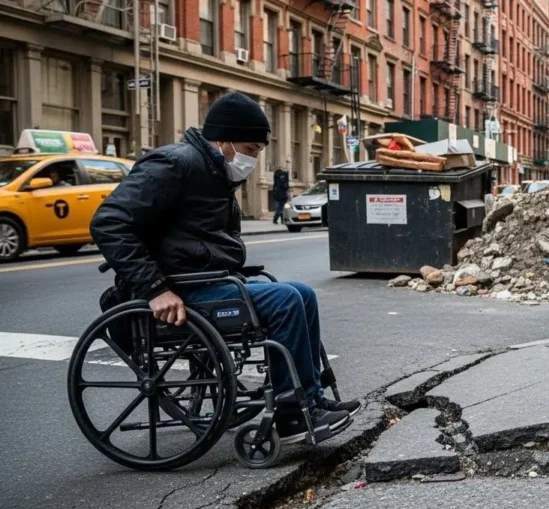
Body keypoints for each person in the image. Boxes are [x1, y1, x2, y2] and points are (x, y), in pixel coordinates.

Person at [90, 92, 359, 443]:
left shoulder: (214, 170)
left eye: (258, 151)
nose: (253, 158)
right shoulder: (176, 164)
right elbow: (108, 222)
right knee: (285, 301)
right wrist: (155, 289)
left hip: (204, 281)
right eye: (250, 148)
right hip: (181, 290)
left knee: (302, 294)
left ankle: (309, 399)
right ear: (223, 140)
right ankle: (292, 416)